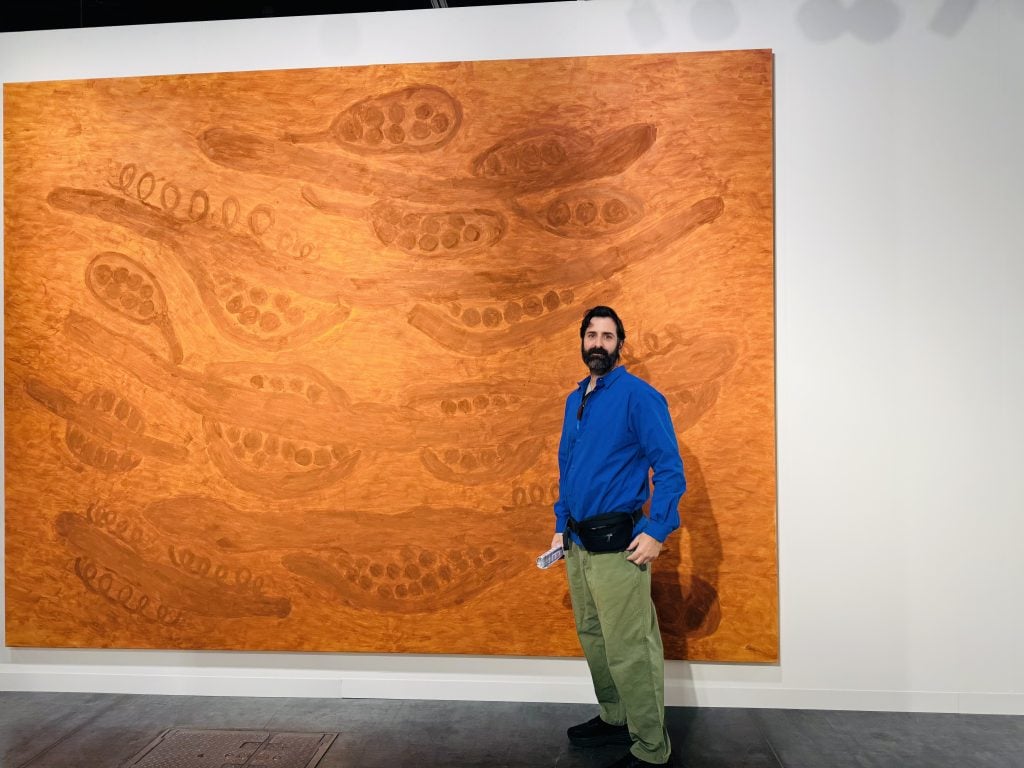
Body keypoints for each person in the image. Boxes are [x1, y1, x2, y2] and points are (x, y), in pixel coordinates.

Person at [551, 305, 685, 767]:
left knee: (630, 647)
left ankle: (650, 745)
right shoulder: (576, 400)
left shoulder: (638, 396)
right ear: (582, 341)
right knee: (594, 637)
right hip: (577, 544)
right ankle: (615, 718)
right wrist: (558, 526)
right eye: (593, 335)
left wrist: (657, 529)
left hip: (619, 545)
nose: (599, 343)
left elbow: (669, 468)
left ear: (620, 344)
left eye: (609, 336)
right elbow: (568, 468)